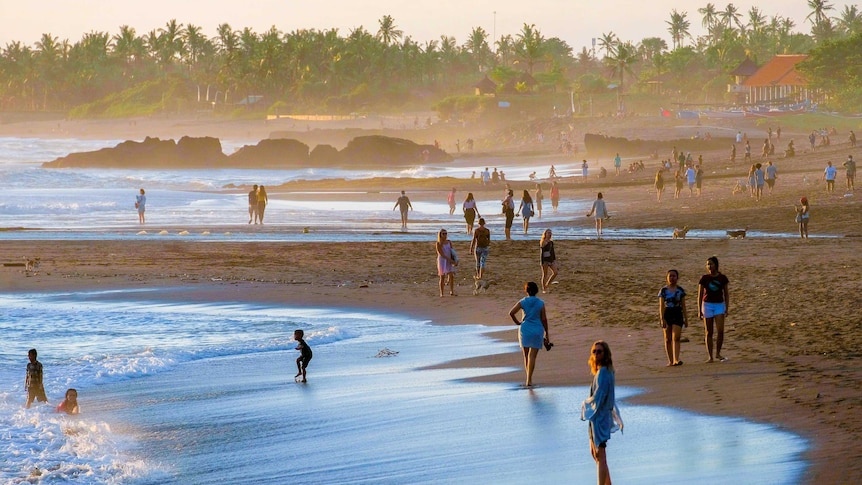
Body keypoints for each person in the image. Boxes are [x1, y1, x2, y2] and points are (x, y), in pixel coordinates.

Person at [581, 340, 622, 485]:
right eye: (594, 351)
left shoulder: (604, 372)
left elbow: (600, 396)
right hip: (597, 416)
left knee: (600, 453)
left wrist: (585, 405)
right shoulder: (602, 371)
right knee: (596, 453)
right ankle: (608, 482)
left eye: (599, 351)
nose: (597, 354)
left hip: (600, 417)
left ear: (605, 354)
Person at [508, 282, 550, 387]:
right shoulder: (540, 302)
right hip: (537, 329)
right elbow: (544, 319)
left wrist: (518, 322)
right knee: (532, 356)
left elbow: (511, 313)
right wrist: (547, 333)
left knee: (526, 355)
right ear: (536, 291)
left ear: (526, 291)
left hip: (525, 329)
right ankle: (529, 379)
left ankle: (528, 379)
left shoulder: (523, 301)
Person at [698, 256, 730, 363]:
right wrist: (699, 310)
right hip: (707, 305)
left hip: (719, 305)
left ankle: (718, 353)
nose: (709, 266)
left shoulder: (722, 278)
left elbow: (726, 293)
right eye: (707, 264)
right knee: (709, 331)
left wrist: (727, 307)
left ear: (716, 265)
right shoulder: (704, 278)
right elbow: (700, 294)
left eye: (711, 264)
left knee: (720, 331)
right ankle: (710, 356)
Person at [659, 269, 689, 366]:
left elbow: (684, 306)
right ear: (667, 278)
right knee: (668, 339)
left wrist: (686, 318)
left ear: (677, 278)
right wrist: (662, 318)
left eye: (674, 276)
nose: (672, 278)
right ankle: (670, 360)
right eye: (670, 276)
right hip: (667, 313)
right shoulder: (663, 290)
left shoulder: (680, 290)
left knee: (676, 337)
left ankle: (676, 359)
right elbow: (661, 306)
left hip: (677, 312)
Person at [436, 228, 457, 296]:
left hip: (449, 259)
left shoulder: (449, 242)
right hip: (442, 260)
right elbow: (441, 254)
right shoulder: (438, 243)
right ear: (440, 235)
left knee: (451, 275)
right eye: (443, 234)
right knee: (442, 277)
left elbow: (452, 251)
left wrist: (454, 260)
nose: (445, 235)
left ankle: (452, 291)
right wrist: (449, 259)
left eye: (446, 233)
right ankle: (441, 293)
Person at [540, 229, 558, 294]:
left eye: (550, 233)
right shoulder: (543, 242)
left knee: (555, 272)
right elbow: (542, 251)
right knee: (545, 275)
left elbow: (552, 252)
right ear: (545, 234)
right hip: (545, 260)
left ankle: (548, 284)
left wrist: (554, 260)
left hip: (550, 260)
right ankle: (544, 288)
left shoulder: (551, 242)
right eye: (548, 233)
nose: (550, 234)